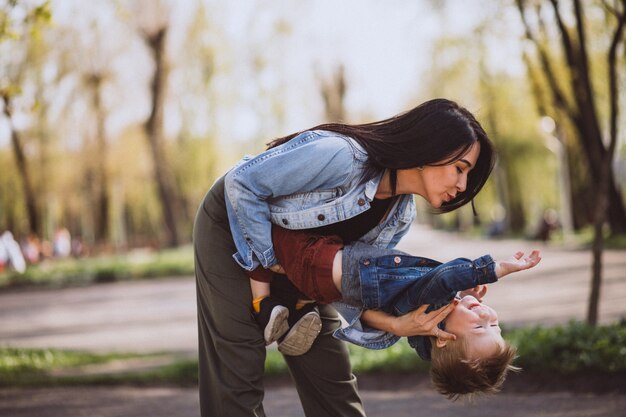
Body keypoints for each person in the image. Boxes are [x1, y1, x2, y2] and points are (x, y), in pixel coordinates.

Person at [194, 98, 496, 416]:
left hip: (300, 263)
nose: (462, 186)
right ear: (429, 150)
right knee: (239, 375)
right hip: (233, 228)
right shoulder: (342, 156)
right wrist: (271, 262)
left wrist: (397, 325)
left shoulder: (399, 216)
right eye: (459, 169)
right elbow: (241, 183)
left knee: (334, 385)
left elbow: (348, 288)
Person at [250, 225, 541, 399]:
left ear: (443, 338)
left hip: (336, 267)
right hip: (338, 281)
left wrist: (492, 270)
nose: (487, 316)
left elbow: (443, 279)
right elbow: (445, 295)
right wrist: (464, 296)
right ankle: (292, 309)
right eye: (495, 324)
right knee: (289, 271)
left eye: (480, 328)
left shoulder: (430, 305)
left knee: (267, 244)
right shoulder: (426, 327)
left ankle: (265, 304)